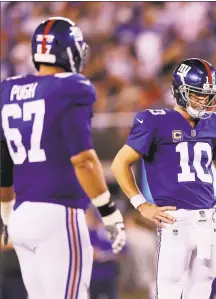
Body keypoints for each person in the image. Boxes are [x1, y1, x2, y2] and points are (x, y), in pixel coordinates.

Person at [0, 17, 126, 299]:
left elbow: (3, 160)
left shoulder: (7, 90)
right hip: (58, 215)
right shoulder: (72, 87)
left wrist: (5, 213)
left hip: (21, 216)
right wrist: (107, 210)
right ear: (69, 50)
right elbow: (83, 159)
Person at [112, 58, 216, 299]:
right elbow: (120, 164)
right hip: (173, 220)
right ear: (180, 91)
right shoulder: (154, 120)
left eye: (209, 95)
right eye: (198, 94)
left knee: (201, 289)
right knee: (169, 290)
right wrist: (142, 205)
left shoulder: (215, 123)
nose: (205, 101)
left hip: (207, 220)